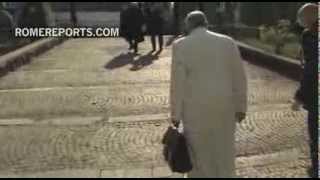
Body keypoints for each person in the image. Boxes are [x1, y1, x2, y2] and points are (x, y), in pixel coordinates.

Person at [170, 11, 247, 178]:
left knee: (198, 153)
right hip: (224, 107)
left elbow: (177, 84)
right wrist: (241, 106)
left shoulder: (181, 45)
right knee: (224, 150)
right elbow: (239, 76)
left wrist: (175, 114)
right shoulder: (228, 42)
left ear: (188, 25)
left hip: (194, 109)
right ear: (206, 23)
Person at [292, 3, 318, 178]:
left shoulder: (310, 35)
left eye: (302, 19)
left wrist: (299, 96)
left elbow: (311, 68)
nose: (301, 23)